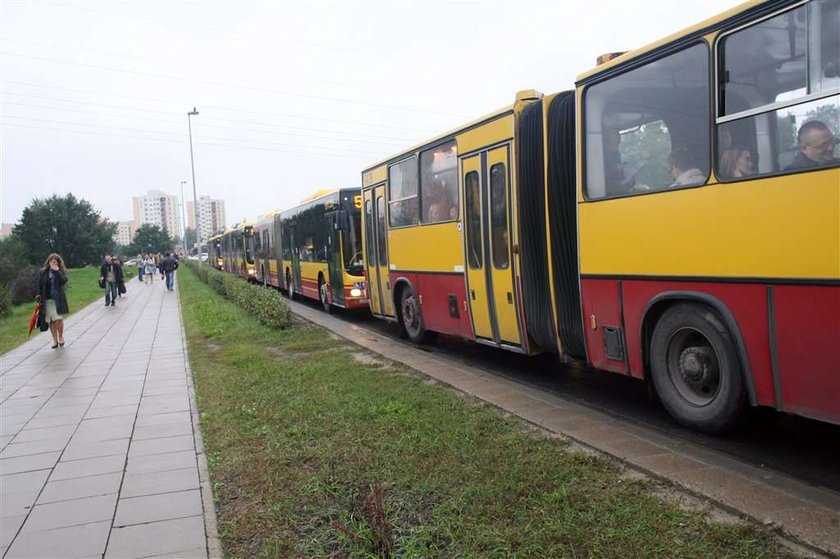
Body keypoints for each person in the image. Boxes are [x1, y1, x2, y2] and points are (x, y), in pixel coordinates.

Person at [36, 253, 69, 349]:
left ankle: (60, 336)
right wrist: (38, 294)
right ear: (48, 261)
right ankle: (55, 340)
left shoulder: (60, 271)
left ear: (58, 263)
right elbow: (39, 284)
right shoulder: (43, 272)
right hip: (47, 299)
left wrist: (57, 271)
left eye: (55, 261)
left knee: (58, 318)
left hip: (57, 299)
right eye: (51, 261)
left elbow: (64, 280)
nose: (53, 263)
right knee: (51, 320)